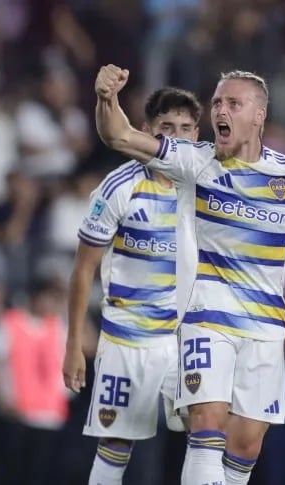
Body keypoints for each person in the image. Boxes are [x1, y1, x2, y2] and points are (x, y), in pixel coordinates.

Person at [93, 65, 285, 485]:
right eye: (216, 103)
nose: (220, 111)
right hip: (207, 320)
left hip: (265, 328)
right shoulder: (195, 161)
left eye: (233, 103)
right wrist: (107, 99)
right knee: (207, 426)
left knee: (245, 446)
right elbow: (119, 135)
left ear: (259, 115)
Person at [63, 86, 202, 485]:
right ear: (145, 131)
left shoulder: (205, 186)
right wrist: (73, 344)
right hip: (126, 338)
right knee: (116, 446)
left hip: (182, 337)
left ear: (197, 135)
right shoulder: (119, 187)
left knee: (209, 427)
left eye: (185, 128)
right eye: (166, 127)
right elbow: (83, 269)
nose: (176, 137)